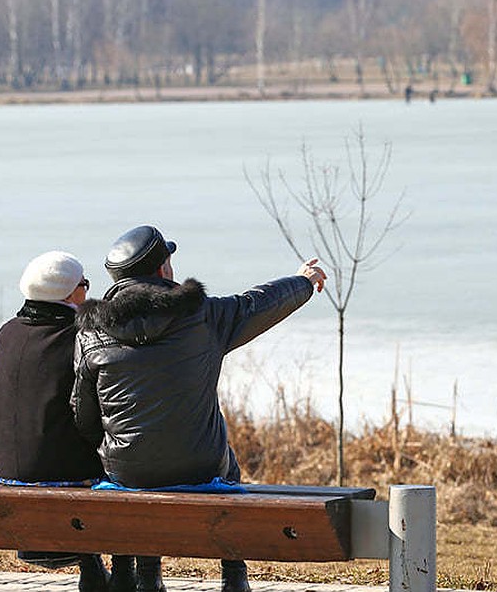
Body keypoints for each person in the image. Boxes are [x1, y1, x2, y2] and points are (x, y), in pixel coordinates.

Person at [72, 225, 326, 592]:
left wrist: (110, 445)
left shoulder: (90, 332)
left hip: (126, 469)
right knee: (227, 462)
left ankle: (148, 576)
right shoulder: (202, 315)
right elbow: (258, 302)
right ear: (162, 269)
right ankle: (234, 577)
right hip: (200, 464)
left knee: (139, 456)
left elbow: (83, 413)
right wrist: (302, 281)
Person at [0, 251, 127, 592]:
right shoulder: (79, 336)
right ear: (68, 294)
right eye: (84, 285)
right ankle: (125, 573)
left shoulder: (8, 332)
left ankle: (93, 568)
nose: (87, 293)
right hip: (64, 474)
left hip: (8, 470)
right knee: (129, 460)